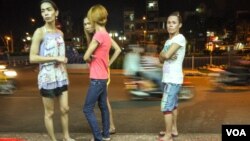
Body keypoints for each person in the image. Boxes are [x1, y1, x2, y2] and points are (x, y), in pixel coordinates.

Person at [29, 0, 75, 141]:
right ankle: (53, 140)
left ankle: (66, 137)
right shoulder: (39, 32)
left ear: (56, 12)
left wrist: (66, 74)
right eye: (43, 11)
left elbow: (62, 56)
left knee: (65, 109)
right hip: (47, 77)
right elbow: (32, 57)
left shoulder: (60, 33)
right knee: (49, 112)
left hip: (61, 75)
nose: (46, 13)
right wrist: (54, 58)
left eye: (49, 9)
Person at [83, 17, 121, 134]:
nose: (87, 26)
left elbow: (118, 49)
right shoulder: (94, 37)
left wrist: (108, 63)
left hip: (101, 73)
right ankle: (108, 129)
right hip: (98, 72)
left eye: (89, 23)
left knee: (104, 102)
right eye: (85, 24)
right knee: (103, 102)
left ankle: (111, 127)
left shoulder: (100, 35)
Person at [82, 4, 113, 141]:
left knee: (87, 109)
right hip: (104, 77)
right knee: (103, 107)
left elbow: (85, 56)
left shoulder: (98, 35)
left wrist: (89, 57)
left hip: (96, 79)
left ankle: (98, 137)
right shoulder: (106, 35)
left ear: (94, 19)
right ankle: (106, 135)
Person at [158, 11, 186, 141]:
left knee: (166, 107)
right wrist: (164, 54)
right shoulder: (168, 41)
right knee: (173, 105)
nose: (170, 25)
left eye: (174, 23)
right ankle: (173, 129)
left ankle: (168, 135)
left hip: (173, 79)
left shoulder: (179, 38)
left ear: (179, 25)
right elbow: (160, 58)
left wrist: (165, 54)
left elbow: (166, 56)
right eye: (169, 22)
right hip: (168, 78)